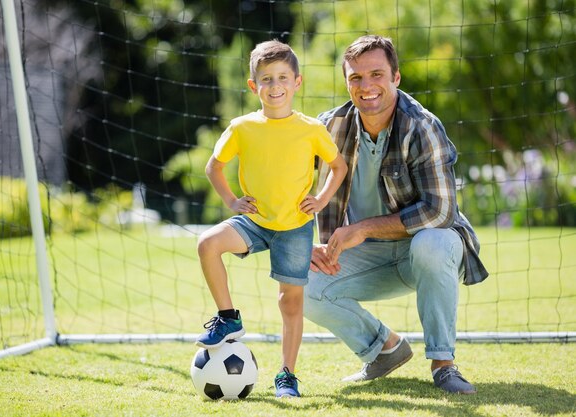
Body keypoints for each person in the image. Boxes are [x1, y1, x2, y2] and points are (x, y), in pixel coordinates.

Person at [303, 35, 489, 395]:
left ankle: (443, 365)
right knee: (300, 282)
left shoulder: (422, 125)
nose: (366, 86)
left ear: (396, 77)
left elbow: (441, 211)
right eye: (355, 77)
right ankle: (383, 349)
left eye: (376, 74)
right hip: (369, 256)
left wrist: (361, 229)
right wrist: (296, 244)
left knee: (432, 242)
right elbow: (292, 190)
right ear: (346, 82)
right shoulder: (329, 127)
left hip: (428, 250)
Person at [195, 39, 348, 398]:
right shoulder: (242, 127)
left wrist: (322, 198)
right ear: (253, 86)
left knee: (289, 302)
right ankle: (228, 317)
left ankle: (286, 376)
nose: (274, 86)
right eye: (266, 79)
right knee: (207, 244)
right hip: (255, 220)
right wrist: (232, 200)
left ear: (297, 82)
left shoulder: (311, 129)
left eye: (282, 77)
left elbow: (338, 166)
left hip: (294, 227)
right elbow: (213, 167)